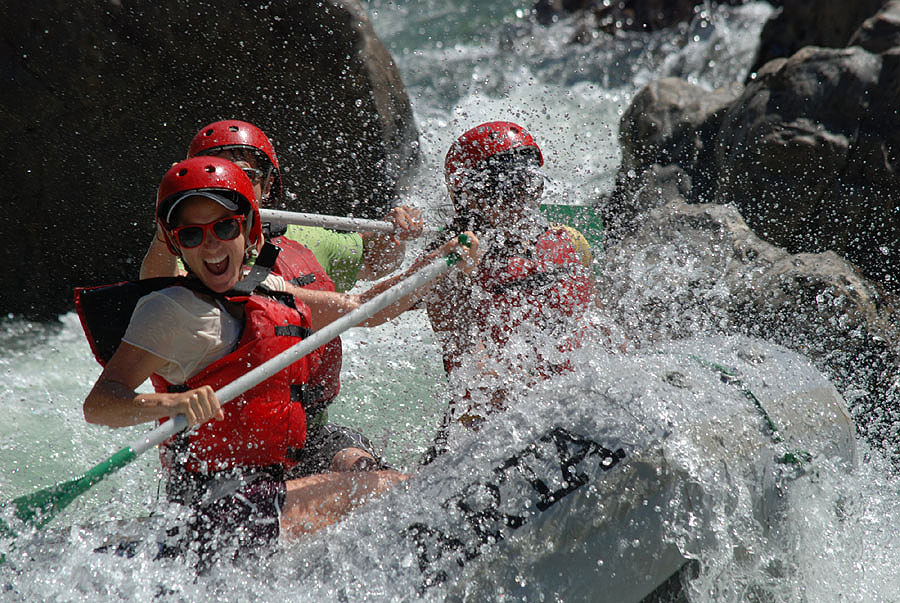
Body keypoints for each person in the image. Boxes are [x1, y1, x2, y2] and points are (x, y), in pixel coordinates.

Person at [80, 156, 478, 561]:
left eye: (223, 227)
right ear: (176, 243)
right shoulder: (169, 310)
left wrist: (437, 263)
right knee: (385, 488)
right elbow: (100, 404)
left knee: (371, 473)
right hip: (220, 510)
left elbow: (362, 307)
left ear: (249, 230)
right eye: (192, 236)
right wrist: (175, 403)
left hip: (268, 490)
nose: (211, 244)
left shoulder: (266, 286)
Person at [420, 121, 596, 461]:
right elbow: (466, 358)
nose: (518, 200)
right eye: (501, 190)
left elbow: (599, 331)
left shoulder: (571, 243)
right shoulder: (453, 266)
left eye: (526, 184)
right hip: (482, 428)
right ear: (468, 197)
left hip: (567, 410)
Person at [140, 119, 423, 291]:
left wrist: (395, 231)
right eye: (217, 175)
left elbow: (377, 263)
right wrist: (165, 213)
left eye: (244, 176)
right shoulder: (189, 246)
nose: (231, 188)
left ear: (268, 184)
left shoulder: (307, 239)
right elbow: (157, 289)